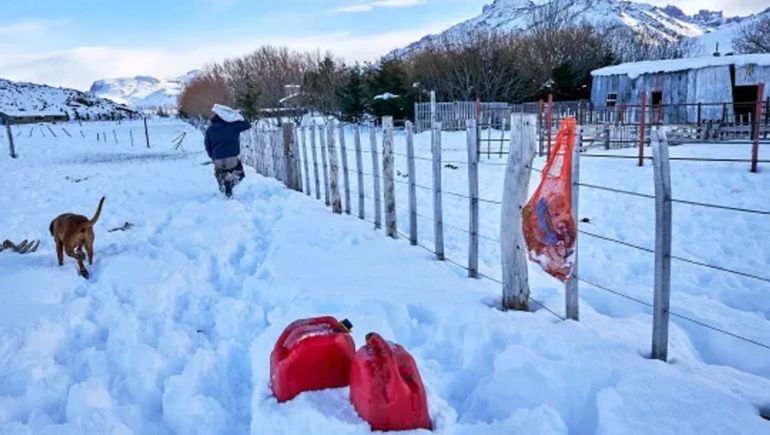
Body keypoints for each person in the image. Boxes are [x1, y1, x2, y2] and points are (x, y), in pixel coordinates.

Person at [204, 105, 251, 198]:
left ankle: (224, 185)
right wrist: (235, 116)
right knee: (240, 174)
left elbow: (207, 145)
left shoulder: (210, 129)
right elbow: (247, 125)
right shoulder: (232, 126)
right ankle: (230, 184)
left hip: (218, 159)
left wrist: (212, 157)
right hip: (231, 158)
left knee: (220, 174)